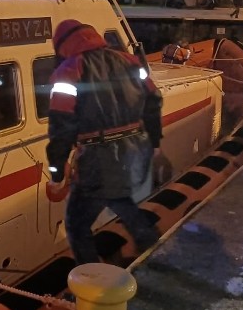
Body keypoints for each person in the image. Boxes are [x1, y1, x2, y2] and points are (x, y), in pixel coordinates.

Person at [45, 19, 163, 265]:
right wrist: (154, 140)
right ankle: (155, 256)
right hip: (136, 148)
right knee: (123, 202)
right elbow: (154, 99)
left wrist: (57, 172)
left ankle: (91, 281)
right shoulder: (129, 60)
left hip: (98, 158)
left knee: (77, 225)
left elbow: (61, 126)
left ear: (62, 46)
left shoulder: (68, 71)